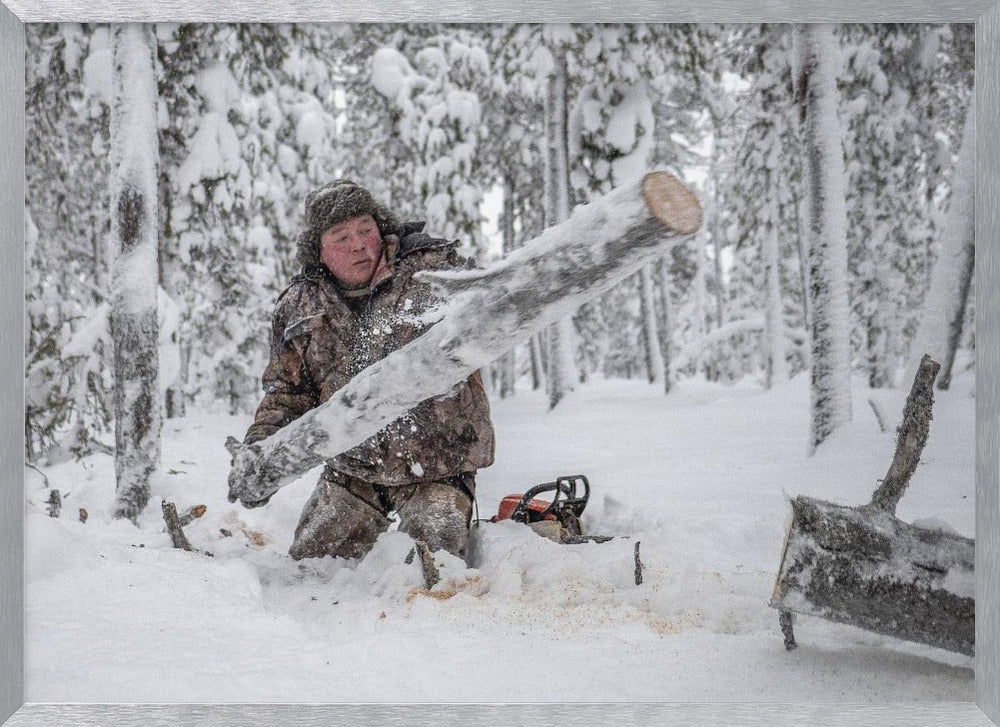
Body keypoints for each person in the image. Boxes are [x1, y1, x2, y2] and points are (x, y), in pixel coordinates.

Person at [243, 180, 495, 561]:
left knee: (431, 571)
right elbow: (287, 394)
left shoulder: (434, 270)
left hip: (439, 463)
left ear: (382, 228)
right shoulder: (299, 307)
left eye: (365, 229)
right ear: (319, 251)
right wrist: (259, 455)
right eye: (341, 237)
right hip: (354, 468)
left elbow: (491, 315)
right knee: (311, 570)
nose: (358, 244)